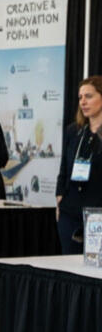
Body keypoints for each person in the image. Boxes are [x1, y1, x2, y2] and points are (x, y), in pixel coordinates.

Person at [55, 75, 102, 253]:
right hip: (70, 212)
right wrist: (60, 197)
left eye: (89, 96)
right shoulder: (73, 131)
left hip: (98, 213)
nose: (83, 102)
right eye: (80, 97)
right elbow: (64, 168)